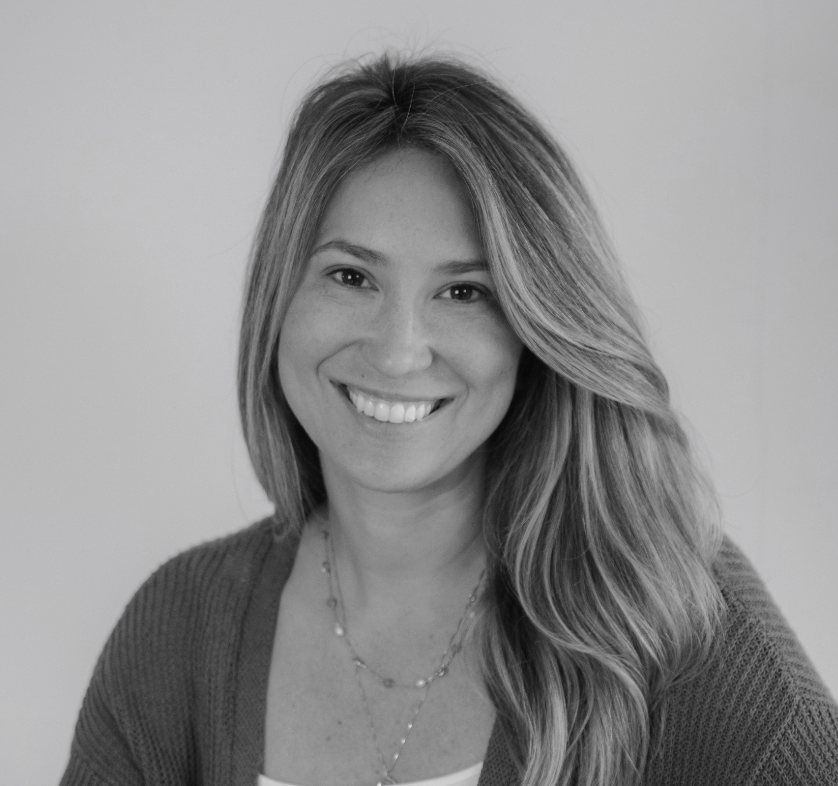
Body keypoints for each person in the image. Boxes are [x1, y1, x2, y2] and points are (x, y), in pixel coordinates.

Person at [61, 53, 838, 786]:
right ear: (279, 297)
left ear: (539, 324)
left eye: (464, 292)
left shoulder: (670, 616)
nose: (398, 352)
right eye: (351, 275)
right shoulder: (177, 632)